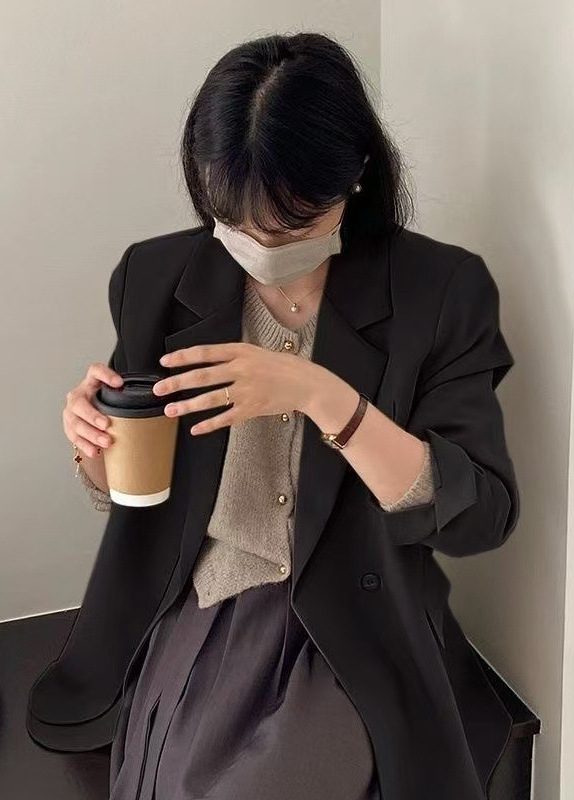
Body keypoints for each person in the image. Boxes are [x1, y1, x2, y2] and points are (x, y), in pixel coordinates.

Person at [30, 31, 520, 800]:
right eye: (235, 221)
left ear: (355, 175)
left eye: (290, 227)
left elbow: (479, 514)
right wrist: (94, 443)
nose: (259, 246)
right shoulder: (156, 277)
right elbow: (136, 492)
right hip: (202, 605)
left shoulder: (438, 291)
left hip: (355, 627)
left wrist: (321, 394)